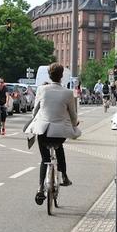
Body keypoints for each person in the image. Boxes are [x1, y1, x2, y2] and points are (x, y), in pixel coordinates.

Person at [25, 63, 79, 204]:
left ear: (49, 75)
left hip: (43, 131)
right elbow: (73, 115)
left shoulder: (42, 89)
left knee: (45, 159)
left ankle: (40, 188)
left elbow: (34, 111)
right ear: (61, 76)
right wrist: (74, 125)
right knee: (59, 147)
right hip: (60, 132)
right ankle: (65, 177)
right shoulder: (68, 93)